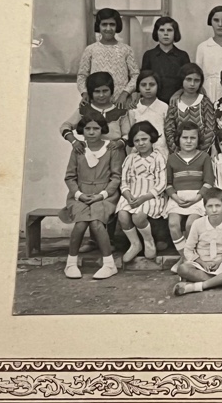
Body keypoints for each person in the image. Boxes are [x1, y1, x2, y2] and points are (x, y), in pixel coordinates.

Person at [60, 114, 122, 280]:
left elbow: (116, 177)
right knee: (80, 224)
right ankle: (71, 263)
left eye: (96, 128)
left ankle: (109, 264)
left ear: (103, 130)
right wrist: (79, 195)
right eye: (88, 128)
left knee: (96, 223)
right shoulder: (78, 149)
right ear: (82, 130)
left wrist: (101, 195)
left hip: (105, 195)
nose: (92, 132)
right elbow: (70, 177)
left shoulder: (111, 149)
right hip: (80, 195)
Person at [172, 189, 222, 296]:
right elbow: (188, 250)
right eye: (210, 206)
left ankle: (199, 286)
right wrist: (201, 262)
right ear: (204, 208)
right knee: (182, 268)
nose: (214, 210)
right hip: (202, 266)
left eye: (218, 206)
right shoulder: (197, 224)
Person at [116, 120, 168, 262]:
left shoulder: (158, 157)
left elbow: (162, 183)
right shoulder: (130, 159)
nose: (141, 143)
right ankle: (135, 244)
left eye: (144, 139)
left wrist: (145, 197)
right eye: (137, 140)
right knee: (122, 215)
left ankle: (148, 241)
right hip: (132, 194)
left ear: (152, 138)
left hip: (151, 195)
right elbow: (124, 182)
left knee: (138, 216)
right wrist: (128, 195)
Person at [61, 72, 128, 175]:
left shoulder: (120, 111)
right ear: (91, 92)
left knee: (114, 185)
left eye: (105, 91)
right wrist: (74, 142)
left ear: (112, 91)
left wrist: (119, 143)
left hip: (115, 156)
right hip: (90, 155)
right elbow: (65, 126)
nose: (101, 95)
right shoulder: (84, 110)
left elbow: (127, 134)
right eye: (97, 91)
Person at [164, 121, 214, 257]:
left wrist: (197, 198)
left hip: (198, 197)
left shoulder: (204, 157)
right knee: (173, 224)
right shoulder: (172, 159)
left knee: (191, 225)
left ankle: (188, 257)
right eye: (185, 138)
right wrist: (175, 197)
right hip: (177, 197)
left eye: (193, 138)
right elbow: (168, 184)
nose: (188, 141)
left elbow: (209, 182)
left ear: (198, 140)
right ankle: (185, 257)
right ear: (178, 139)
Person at [76, 8, 137, 108]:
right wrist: (85, 93)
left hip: (121, 103)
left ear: (117, 26)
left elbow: (135, 75)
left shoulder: (126, 50)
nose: (108, 28)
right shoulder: (91, 50)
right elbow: (82, 76)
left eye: (112, 24)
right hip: (97, 102)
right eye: (104, 24)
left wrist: (125, 94)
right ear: (98, 26)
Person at [163, 63, 216, 154]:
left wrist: (199, 152)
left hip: (201, 153)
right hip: (180, 153)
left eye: (196, 80)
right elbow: (169, 130)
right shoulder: (175, 102)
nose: (192, 84)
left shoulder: (204, 102)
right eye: (188, 79)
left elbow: (210, 129)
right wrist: (178, 152)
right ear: (181, 80)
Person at [141, 15, 190, 102]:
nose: (166, 34)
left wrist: (178, 94)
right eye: (162, 30)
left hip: (177, 100)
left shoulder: (182, 56)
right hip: (154, 101)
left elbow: (187, 81)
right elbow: (144, 81)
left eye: (170, 30)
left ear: (175, 33)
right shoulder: (149, 55)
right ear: (156, 32)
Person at [122, 70, 169, 158]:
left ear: (158, 86)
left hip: (161, 153)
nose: (147, 88)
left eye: (152, 85)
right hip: (140, 153)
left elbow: (168, 131)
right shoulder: (134, 109)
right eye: (143, 85)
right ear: (138, 87)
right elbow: (131, 133)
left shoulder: (164, 107)